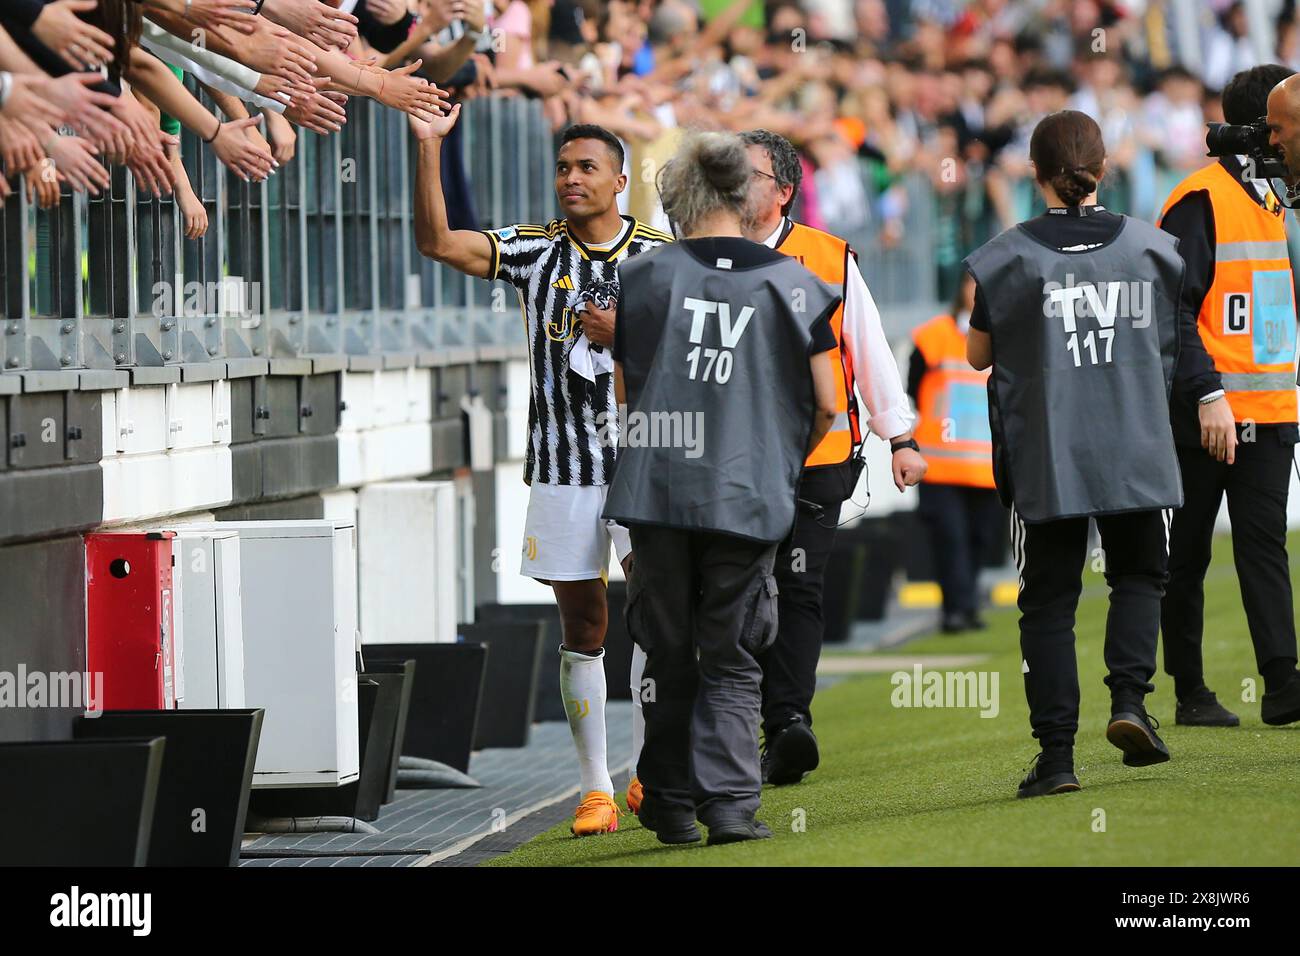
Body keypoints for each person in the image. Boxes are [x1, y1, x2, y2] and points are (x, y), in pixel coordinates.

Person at [410, 106, 672, 837]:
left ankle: (650, 768)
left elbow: (695, 352)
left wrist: (631, 334)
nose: (571, 179)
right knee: (583, 622)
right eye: (563, 168)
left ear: (622, 180)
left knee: (654, 613)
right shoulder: (533, 251)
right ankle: (594, 789)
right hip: (562, 468)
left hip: (646, 462)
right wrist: (429, 148)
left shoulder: (660, 254)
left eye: (587, 167)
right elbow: (437, 242)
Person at [605, 130, 841, 844]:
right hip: (745, 490)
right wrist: (779, 457)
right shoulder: (795, 282)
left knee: (669, 651)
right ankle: (732, 806)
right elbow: (827, 402)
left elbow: (627, 392)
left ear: (676, 194)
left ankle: (671, 803)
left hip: (658, 490)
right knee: (735, 652)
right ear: (748, 195)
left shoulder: (643, 278)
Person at [964, 110, 1186, 799]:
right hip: (1136, 444)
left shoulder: (1006, 255)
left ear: (1034, 174)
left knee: (1049, 604)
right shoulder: (1154, 249)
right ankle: (1130, 702)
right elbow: (1172, 346)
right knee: (1139, 578)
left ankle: (1057, 757)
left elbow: (978, 354)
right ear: (1105, 167)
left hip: (1048, 455)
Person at [737, 128, 925, 788]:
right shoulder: (704, 255)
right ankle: (747, 724)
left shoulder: (827, 256)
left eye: (750, 173)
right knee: (737, 588)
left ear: (785, 191)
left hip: (817, 456)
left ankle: (787, 722)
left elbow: (868, 350)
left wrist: (899, 436)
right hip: (732, 460)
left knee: (798, 584)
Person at [1153, 64, 1300, 728]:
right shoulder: (1200, 199)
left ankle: (1282, 685)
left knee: (1263, 545)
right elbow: (1172, 309)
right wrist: (1208, 392)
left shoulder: (1272, 198)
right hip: (1202, 413)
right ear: (1264, 126)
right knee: (1186, 553)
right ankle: (1188, 691)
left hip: (1268, 412)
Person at [907, 272, 1003, 634]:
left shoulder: (1003, 337)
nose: (977, 292)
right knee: (950, 539)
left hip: (982, 467)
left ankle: (967, 606)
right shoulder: (933, 336)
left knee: (978, 539)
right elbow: (912, 389)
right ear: (960, 289)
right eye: (971, 284)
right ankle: (955, 611)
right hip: (941, 467)